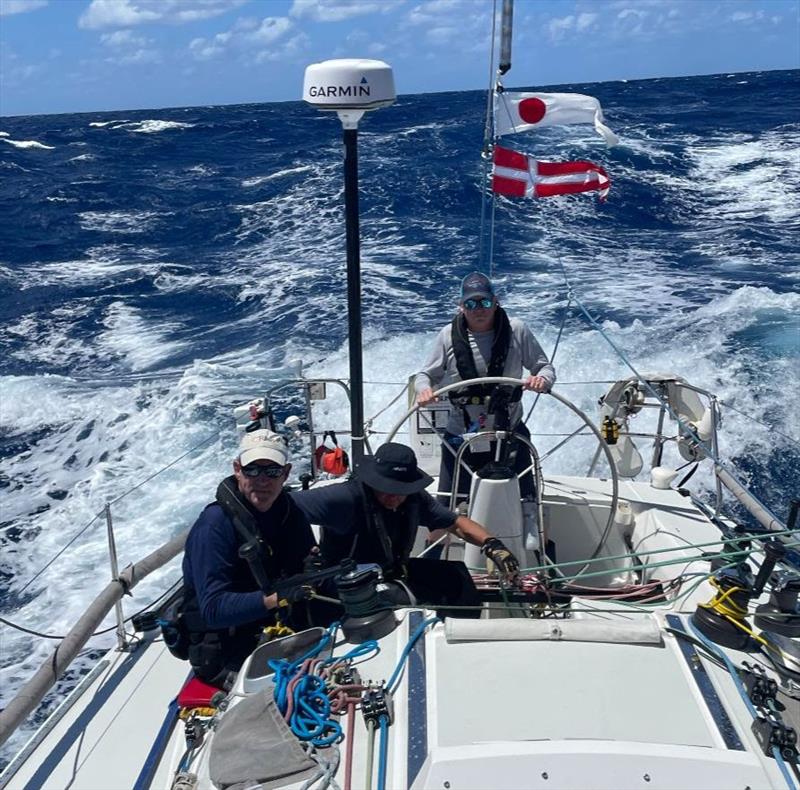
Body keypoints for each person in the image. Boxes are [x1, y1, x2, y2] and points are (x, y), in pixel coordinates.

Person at [293, 442, 519, 614]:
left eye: (401, 490)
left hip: (393, 572)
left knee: (458, 579)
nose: (394, 496)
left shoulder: (413, 499)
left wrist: (492, 544)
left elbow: (456, 524)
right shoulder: (343, 499)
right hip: (346, 587)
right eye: (387, 489)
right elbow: (286, 507)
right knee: (406, 600)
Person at [180, 429, 331, 687]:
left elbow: (305, 561)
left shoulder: (288, 512)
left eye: (272, 471)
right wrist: (278, 598)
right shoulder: (214, 526)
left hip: (275, 630)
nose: (263, 480)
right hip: (225, 650)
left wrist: (312, 569)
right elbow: (213, 609)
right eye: (253, 470)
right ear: (237, 469)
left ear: (285, 473)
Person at [415, 271, 555, 505]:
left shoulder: (517, 329)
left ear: (496, 302)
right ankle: (439, 542)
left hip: (510, 432)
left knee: (528, 503)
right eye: (471, 303)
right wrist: (424, 389)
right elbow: (425, 375)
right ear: (461, 306)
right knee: (446, 507)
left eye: (485, 302)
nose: (478, 308)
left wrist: (542, 381)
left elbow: (545, 368)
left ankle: (534, 537)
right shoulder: (448, 335)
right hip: (461, 435)